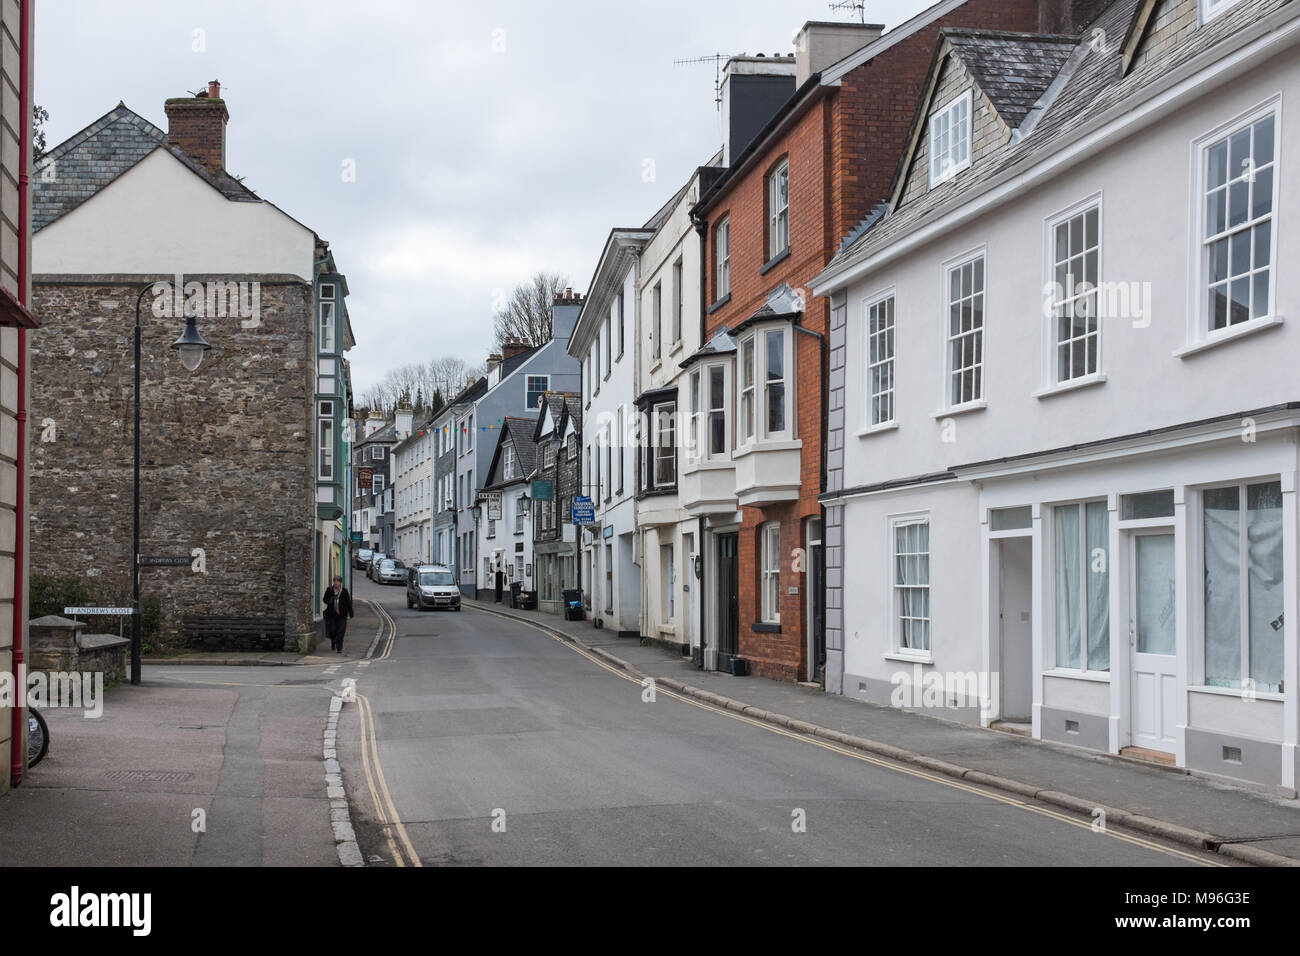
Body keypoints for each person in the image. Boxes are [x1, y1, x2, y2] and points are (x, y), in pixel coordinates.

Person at [323, 576, 354, 653]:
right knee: (332, 631)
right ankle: (333, 642)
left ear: (340, 583)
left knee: (341, 631)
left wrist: (351, 613)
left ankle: (339, 647)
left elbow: (348, 603)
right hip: (332, 614)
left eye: (337, 582)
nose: (336, 583)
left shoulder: (344, 591)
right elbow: (324, 599)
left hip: (342, 615)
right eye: (335, 581)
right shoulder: (329, 590)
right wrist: (329, 601)